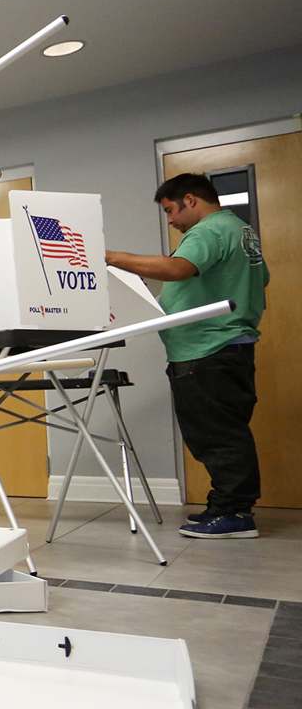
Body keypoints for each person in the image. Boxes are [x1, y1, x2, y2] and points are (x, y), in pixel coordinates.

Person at [105, 173, 268, 539]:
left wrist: (113, 257)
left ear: (191, 200)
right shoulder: (239, 233)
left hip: (209, 349)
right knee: (218, 430)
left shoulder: (209, 231)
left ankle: (235, 514)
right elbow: (247, 280)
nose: (171, 221)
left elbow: (178, 269)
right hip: (221, 348)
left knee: (218, 434)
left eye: (170, 211)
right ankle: (224, 504)